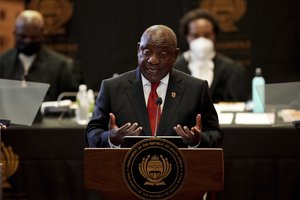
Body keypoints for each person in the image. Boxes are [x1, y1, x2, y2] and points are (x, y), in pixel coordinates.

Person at [86, 25, 223, 148]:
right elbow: (92, 133)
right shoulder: (112, 88)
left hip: (180, 171)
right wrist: (111, 138)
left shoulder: (196, 89)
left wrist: (197, 141)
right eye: (147, 52)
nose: (153, 60)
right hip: (124, 171)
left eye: (162, 54)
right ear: (138, 49)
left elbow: (215, 134)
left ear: (175, 55)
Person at [0, 10, 82, 101]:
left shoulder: (63, 66)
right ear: (15, 33)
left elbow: (72, 103)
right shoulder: (2, 63)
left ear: (42, 34)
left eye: (34, 37)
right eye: (23, 36)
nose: (28, 41)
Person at [174, 8, 248, 103]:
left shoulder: (232, 70)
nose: (201, 41)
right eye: (195, 36)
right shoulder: (174, 69)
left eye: (207, 35)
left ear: (215, 35)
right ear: (187, 36)